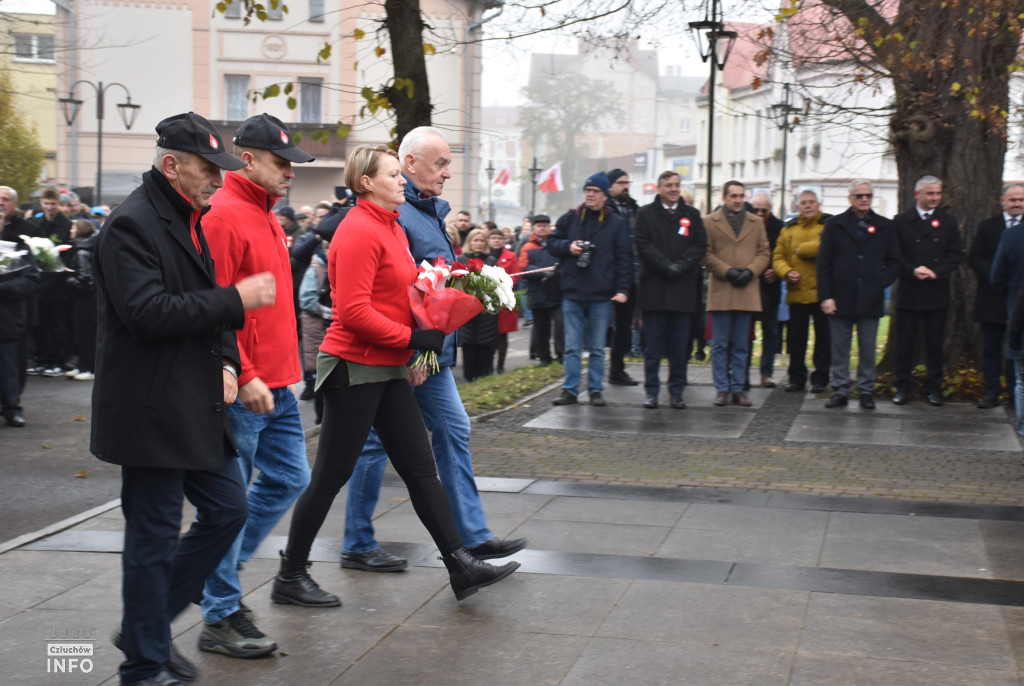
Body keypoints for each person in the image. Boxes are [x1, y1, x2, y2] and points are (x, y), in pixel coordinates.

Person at [277, 144, 519, 604]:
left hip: (385, 367)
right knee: (330, 475)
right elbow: (351, 312)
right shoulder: (358, 231)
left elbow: (404, 299)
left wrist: (418, 343)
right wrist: (415, 341)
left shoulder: (390, 227)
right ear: (367, 183)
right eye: (393, 174)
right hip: (352, 366)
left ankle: (460, 565)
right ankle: (290, 575)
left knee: (420, 469)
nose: (402, 180)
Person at [93, 112, 277, 686]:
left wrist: (229, 365)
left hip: (194, 403)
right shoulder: (131, 224)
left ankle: (145, 625)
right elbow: (148, 314)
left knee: (229, 509)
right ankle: (143, 666)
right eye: (206, 170)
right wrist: (236, 300)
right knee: (151, 539)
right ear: (171, 165)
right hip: (149, 410)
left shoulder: (190, 215)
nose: (217, 181)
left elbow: (205, 304)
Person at [342, 127, 524, 573]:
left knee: (431, 434)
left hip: (426, 352)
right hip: (411, 354)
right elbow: (397, 291)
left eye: (447, 162)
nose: (447, 171)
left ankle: (467, 535)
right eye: (440, 163)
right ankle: (364, 542)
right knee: (379, 444)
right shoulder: (399, 215)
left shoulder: (422, 213)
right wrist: (415, 351)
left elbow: (434, 280)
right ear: (409, 164)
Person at [198, 113, 316, 658]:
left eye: (293, 164)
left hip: (278, 384)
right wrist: (243, 374)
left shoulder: (267, 214)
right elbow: (216, 310)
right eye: (281, 162)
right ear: (247, 158)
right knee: (227, 505)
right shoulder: (224, 215)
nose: (290, 172)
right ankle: (219, 611)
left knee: (291, 477)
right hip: (245, 388)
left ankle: (214, 571)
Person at [548, 172, 633, 407]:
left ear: (605, 195)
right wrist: (569, 247)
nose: (590, 195)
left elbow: (624, 258)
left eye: (595, 191)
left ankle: (595, 390)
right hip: (572, 293)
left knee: (597, 348)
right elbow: (552, 243)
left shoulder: (616, 223)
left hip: (602, 295)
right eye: (587, 191)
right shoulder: (571, 218)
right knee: (572, 347)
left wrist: (623, 289)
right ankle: (570, 390)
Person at [817, 180, 900, 409]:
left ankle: (866, 390)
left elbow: (894, 261)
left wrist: (878, 282)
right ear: (850, 198)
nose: (864, 199)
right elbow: (823, 264)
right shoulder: (835, 225)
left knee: (868, 347)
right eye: (860, 196)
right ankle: (840, 389)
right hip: (840, 296)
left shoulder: (884, 226)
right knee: (840, 348)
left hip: (869, 297)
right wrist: (826, 296)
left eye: (868, 196)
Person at [634, 171, 707, 409]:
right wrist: (665, 265)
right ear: (659, 188)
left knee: (679, 346)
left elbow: (700, 245)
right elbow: (643, 244)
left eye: (677, 185)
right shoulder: (645, 214)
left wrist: (682, 265)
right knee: (652, 346)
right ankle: (652, 391)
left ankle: (677, 391)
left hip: (682, 289)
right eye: (668, 185)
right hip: (655, 289)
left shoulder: (692, 214)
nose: (673, 189)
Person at [891, 176, 964, 406]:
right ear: (917, 195)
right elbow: (894, 256)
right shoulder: (901, 221)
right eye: (930, 194)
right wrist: (913, 270)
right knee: (905, 345)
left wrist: (937, 272)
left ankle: (934, 388)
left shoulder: (948, 221)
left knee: (935, 345)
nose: (934, 198)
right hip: (909, 291)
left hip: (936, 292)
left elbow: (955, 254)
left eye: (938, 194)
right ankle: (902, 387)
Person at [702, 180, 770, 407]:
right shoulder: (710, 222)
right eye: (733, 196)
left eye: (741, 195)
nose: (738, 200)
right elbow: (706, 253)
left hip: (746, 289)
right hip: (722, 289)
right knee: (719, 344)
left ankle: (739, 388)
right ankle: (722, 388)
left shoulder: (756, 222)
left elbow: (764, 251)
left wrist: (751, 271)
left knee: (742, 344)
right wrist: (726, 271)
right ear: (724, 198)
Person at [969, 184, 1023, 408]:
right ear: (1002, 201)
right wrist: (994, 273)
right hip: (992, 298)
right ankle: (991, 392)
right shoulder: (987, 226)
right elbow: (974, 256)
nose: (1017, 204)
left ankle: (1014, 394)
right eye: (1012, 200)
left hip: (1020, 302)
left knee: (1016, 351)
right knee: (990, 349)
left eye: (1021, 199)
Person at [772, 190, 831, 394]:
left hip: (822, 293)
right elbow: (777, 256)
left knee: (824, 338)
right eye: (803, 203)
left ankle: (821, 378)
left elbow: (829, 247)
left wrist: (804, 249)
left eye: (811, 202)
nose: (807, 206)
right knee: (796, 339)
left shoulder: (827, 226)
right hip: (796, 291)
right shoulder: (788, 230)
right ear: (797, 208)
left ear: (818, 205)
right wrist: (786, 272)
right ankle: (796, 378)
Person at [0, 226, 39, 427]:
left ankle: (12, 408)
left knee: (8, 366)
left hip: (7, 316)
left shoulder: (17, 246)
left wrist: (5, 287)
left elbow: (31, 278)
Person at [606, 168, 641, 386]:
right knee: (604, 325)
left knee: (625, 326)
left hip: (632, 275)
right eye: (621, 183)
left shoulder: (634, 208)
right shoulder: (605, 210)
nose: (625, 186)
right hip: (608, 276)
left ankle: (617, 370)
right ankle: (597, 372)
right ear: (609, 186)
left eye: (627, 182)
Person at [519, 214, 563, 365]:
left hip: (557, 292)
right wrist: (542, 271)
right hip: (537, 292)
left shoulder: (556, 244)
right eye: (539, 225)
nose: (542, 228)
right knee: (541, 328)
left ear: (550, 227)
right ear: (534, 228)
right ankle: (544, 357)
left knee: (560, 325)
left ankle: (561, 354)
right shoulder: (527, 246)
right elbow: (523, 267)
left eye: (545, 225)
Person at [750, 192, 783, 388]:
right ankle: (741, 372)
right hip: (747, 286)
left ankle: (766, 373)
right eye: (756, 209)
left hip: (770, 287)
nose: (760, 213)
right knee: (745, 333)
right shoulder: (745, 224)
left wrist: (776, 271)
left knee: (770, 332)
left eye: (765, 210)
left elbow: (783, 254)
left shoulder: (778, 227)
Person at [458, 228, 500, 381]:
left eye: (482, 240)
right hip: (467, 312)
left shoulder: (491, 261)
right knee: (469, 349)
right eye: (475, 240)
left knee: (485, 349)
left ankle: (485, 380)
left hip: (486, 313)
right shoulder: (461, 259)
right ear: (469, 242)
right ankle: (469, 381)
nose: (479, 243)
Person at [65, 219, 98, 381]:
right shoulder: (85, 248)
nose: (71, 230)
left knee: (85, 333)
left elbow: (86, 279)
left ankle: (88, 367)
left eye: (73, 227)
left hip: (85, 299)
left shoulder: (82, 251)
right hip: (88, 299)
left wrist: (70, 279)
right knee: (85, 333)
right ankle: (83, 366)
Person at [488, 228, 519, 374]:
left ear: (504, 240)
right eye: (493, 237)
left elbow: (515, 276)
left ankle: (500, 365)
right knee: (488, 335)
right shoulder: (484, 255)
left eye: (499, 238)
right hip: (486, 300)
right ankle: (487, 365)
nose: (496, 240)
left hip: (504, 300)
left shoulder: (511, 256)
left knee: (502, 335)